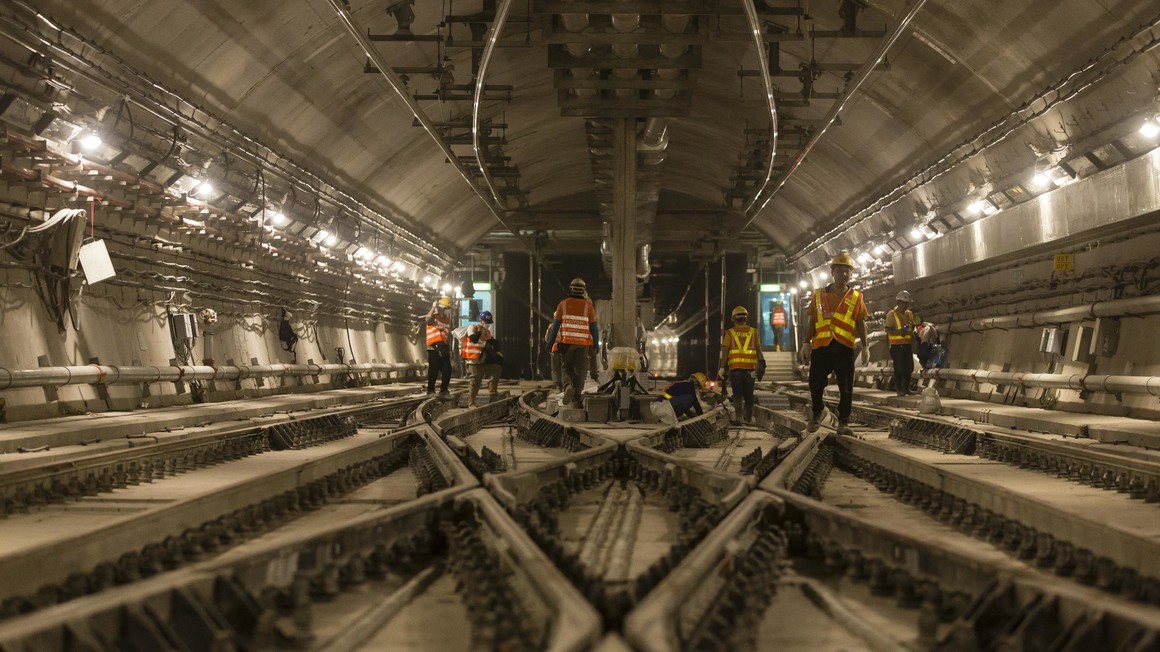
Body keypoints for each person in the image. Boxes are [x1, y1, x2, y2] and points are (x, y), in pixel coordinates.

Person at [801, 251, 869, 435]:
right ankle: (817, 412)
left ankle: (843, 422)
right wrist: (806, 342)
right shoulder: (818, 295)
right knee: (815, 382)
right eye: (839, 271)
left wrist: (865, 345)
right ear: (832, 272)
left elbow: (860, 322)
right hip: (822, 346)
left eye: (847, 271)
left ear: (851, 274)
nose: (843, 274)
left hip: (845, 347)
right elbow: (813, 321)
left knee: (846, 387)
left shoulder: (857, 297)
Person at [546, 277, 600, 409]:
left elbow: (555, 326)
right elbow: (594, 328)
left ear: (571, 289)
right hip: (583, 344)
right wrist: (595, 346)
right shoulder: (589, 307)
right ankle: (576, 397)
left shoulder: (562, 304)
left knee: (566, 367)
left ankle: (568, 385)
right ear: (583, 291)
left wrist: (550, 343)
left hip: (567, 344)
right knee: (581, 370)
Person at [718, 305, 766, 425]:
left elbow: (725, 351)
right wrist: (762, 363)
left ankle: (739, 418)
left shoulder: (730, 333)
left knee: (737, 395)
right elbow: (758, 350)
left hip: (735, 370)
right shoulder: (754, 332)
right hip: (750, 370)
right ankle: (749, 419)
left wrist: (722, 367)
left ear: (734, 319)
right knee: (749, 395)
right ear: (746, 318)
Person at [463, 310, 502, 407]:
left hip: (482, 360)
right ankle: (471, 403)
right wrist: (480, 332)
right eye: (486, 322)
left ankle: (493, 393)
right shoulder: (472, 328)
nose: (487, 324)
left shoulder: (487, 332)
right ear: (481, 320)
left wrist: (493, 342)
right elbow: (474, 339)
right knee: (475, 382)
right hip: (473, 361)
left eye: (488, 323)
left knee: (496, 368)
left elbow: (495, 344)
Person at [884, 290, 917, 396]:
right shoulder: (891, 315)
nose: (906, 305)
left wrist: (913, 333)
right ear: (898, 302)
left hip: (907, 344)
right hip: (896, 346)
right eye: (904, 303)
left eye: (907, 303)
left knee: (909, 367)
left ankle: (906, 388)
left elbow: (910, 326)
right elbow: (888, 329)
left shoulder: (909, 314)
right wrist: (898, 332)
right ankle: (899, 389)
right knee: (899, 367)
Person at [424, 296, 454, 396]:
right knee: (434, 370)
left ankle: (444, 390)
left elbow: (446, 335)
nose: (449, 311)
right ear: (443, 308)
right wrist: (433, 308)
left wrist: (448, 348)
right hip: (433, 347)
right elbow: (427, 319)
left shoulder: (446, 320)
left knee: (447, 370)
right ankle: (430, 390)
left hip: (443, 347)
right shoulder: (435, 317)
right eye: (448, 308)